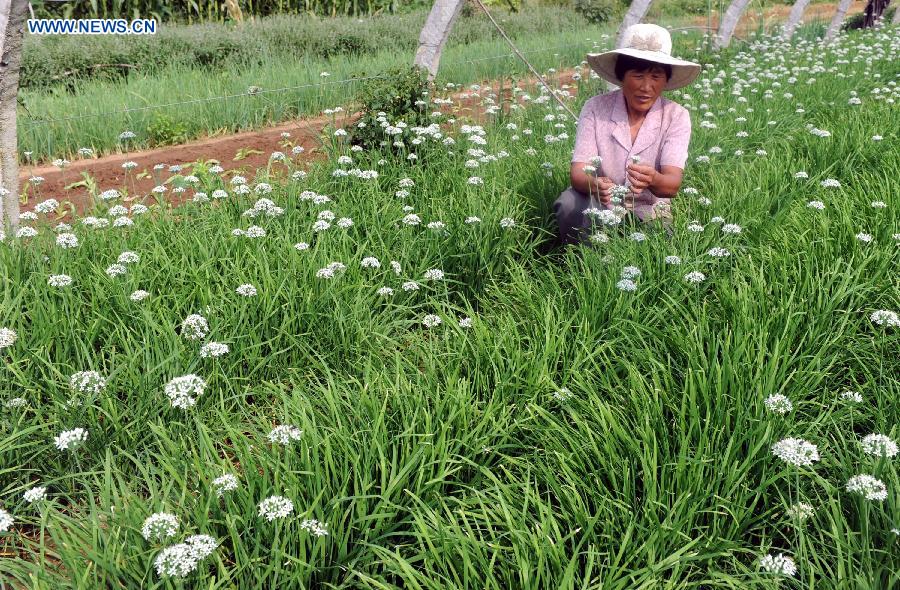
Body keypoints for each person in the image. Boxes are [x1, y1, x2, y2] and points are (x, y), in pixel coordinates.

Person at [554, 23, 701, 245]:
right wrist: (596, 185)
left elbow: (672, 184)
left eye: (656, 76)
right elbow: (578, 173)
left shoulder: (676, 116)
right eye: (638, 75)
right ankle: (580, 263)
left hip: (649, 209)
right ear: (622, 76)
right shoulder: (595, 108)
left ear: (666, 79)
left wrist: (653, 178)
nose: (646, 87)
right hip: (601, 206)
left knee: (658, 252)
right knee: (569, 203)